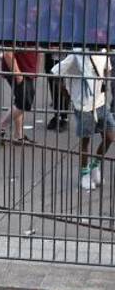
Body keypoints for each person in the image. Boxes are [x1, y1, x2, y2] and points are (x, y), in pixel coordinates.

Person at [48, 50, 114, 190]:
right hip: (83, 105)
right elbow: (55, 72)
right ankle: (84, 174)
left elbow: (107, 68)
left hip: (101, 103)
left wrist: (102, 83)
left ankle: (95, 165)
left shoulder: (103, 50)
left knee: (110, 137)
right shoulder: (76, 54)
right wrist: (67, 95)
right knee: (85, 140)